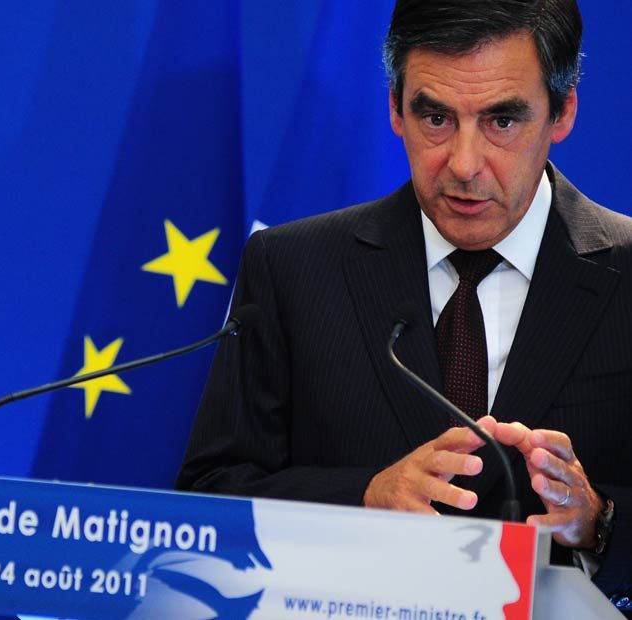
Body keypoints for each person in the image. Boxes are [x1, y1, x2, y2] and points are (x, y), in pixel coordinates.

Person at [176, 0, 632, 610]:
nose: (464, 165)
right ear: (395, 108)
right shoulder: (292, 268)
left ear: (562, 111)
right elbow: (210, 500)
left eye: (501, 120)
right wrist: (366, 495)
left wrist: (598, 519)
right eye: (435, 117)